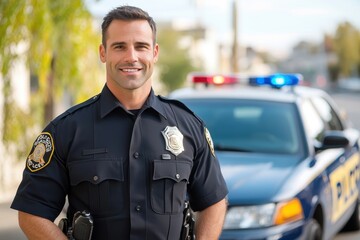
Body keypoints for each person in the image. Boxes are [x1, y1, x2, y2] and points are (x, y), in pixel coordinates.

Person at [11, 5, 228, 240]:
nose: (131, 57)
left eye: (141, 46)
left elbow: (213, 201)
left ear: (154, 52)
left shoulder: (189, 127)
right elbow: (32, 213)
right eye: (119, 47)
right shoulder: (66, 130)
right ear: (103, 53)